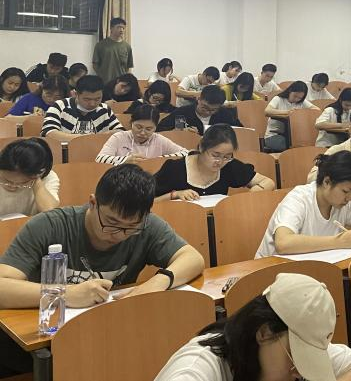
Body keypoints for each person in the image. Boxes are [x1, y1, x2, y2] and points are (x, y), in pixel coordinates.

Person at [0, 164, 205, 374]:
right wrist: (65, 293)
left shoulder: (147, 226)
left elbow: (193, 258)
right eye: (111, 222)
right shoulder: (50, 225)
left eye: (131, 227)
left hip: (112, 333)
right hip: (52, 339)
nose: (119, 234)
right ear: (93, 203)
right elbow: (2, 287)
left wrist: (158, 281)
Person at [154, 273, 351, 381]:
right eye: (297, 360)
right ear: (265, 333)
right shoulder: (195, 369)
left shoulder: (289, 342)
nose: (299, 373)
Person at [256, 151, 351, 257]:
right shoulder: (299, 198)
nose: (349, 198)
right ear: (327, 182)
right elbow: (283, 243)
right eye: (345, 191)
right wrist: (338, 242)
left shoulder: (346, 204)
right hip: (271, 273)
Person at [154, 124, 274, 200]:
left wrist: (247, 197)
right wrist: (175, 195)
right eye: (215, 155)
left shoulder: (229, 166)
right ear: (202, 147)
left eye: (227, 156)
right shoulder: (174, 169)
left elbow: (268, 182)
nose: (220, 162)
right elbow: (147, 202)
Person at [96, 105, 188, 166]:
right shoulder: (119, 137)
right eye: (138, 127)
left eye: (149, 129)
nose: (142, 133)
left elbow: (186, 153)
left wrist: (157, 160)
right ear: (131, 123)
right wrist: (125, 160)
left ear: (155, 128)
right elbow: (100, 159)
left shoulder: (158, 139)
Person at [41, 75, 121, 140]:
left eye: (97, 99)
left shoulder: (105, 109)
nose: (92, 104)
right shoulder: (60, 106)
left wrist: (103, 136)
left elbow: (120, 131)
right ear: (76, 94)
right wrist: (84, 138)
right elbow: (49, 133)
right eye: (87, 99)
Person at [0, 138, 58, 216]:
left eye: (23, 183)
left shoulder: (47, 178)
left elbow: (50, 213)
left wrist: (37, 182)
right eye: (7, 181)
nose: (13, 186)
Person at [157, 85, 242, 134]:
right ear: (199, 99)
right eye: (204, 107)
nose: (208, 112)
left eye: (213, 110)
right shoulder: (183, 113)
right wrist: (177, 132)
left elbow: (240, 131)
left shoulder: (223, 114)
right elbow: (160, 130)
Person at [264, 81, 317, 152]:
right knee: (290, 145)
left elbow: (316, 110)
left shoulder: (301, 102)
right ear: (290, 91)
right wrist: (288, 112)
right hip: (273, 135)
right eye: (295, 96)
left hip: (294, 136)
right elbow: (267, 111)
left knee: (305, 144)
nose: (296, 99)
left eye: (299, 98)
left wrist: (301, 113)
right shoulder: (278, 99)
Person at [92, 17, 134, 84]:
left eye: (123, 28)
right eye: (119, 27)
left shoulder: (127, 46)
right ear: (111, 28)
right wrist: (102, 76)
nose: (121, 30)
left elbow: (128, 67)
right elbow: (95, 64)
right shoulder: (100, 45)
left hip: (120, 83)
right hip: (105, 82)